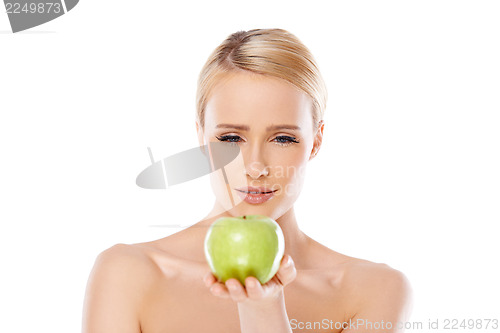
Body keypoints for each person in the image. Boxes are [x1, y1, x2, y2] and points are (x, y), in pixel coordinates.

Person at [82, 28, 413, 333]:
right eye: (229, 138)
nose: (255, 167)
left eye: (282, 138)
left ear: (316, 141)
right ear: (201, 138)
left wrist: (264, 309)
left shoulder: (375, 290)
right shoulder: (128, 274)